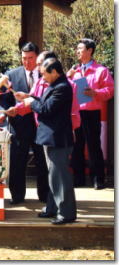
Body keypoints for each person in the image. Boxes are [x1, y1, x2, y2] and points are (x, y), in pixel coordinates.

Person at [24, 58, 77, 225]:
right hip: (51, 138)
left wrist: (32, 102)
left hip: (58, 139)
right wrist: (30, 97)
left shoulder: (62, 87)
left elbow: (46, 110)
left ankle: (66, 213)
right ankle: (52, 208)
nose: (43, 78)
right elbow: (44, 103)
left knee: (60, 177)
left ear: (54, 72)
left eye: (44, 74)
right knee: (53, 176)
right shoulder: (55, 85)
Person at [0, 42, 49, 204]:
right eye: (24, 58)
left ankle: (45, 195)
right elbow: (4, 99)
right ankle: (17, 196)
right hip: (19, 125)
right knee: (17, 162)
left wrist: (27, 98)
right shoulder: (11, 75)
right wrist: (8, 110)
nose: (27, 62)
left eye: (30, 58)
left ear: (37, 57)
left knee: (42, 161)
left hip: (41, 125)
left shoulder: (45, 74)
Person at [67, 38, 114, 189]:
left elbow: (110, 90)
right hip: (76, 113)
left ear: (90, 50)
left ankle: (98, 179)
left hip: (92, 112)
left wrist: (95, 93)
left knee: (94, 145)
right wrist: (68, 76)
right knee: (77, 146)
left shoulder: (101, 70)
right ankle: (78, 178)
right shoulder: (74, 70)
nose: (77, 51)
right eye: (77, 48)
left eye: (80, 48)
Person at [8, 51, 81, 131]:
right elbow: (34, 102)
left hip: (60, 133)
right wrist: (17, 109)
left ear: (50, 63)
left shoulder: (68, 85)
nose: (38, 68)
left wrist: (71, 130)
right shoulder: (39, 82)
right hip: (42, 131)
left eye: (40, 64)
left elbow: (73, 112)